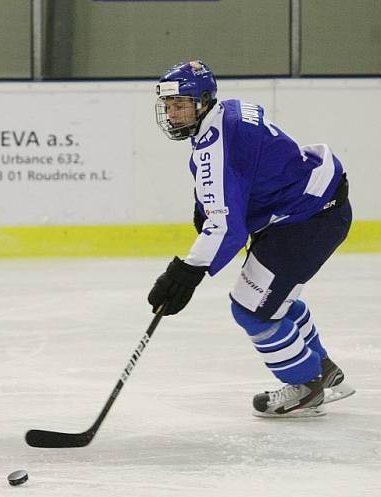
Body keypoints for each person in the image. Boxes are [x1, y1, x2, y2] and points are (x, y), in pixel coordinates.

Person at [148, 60, 354, 418]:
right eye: (168, 106)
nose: (173, 113)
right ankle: (324, 369)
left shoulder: (218, 141)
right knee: (268, 301)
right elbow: (248, 169)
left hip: (308, 219)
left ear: (205, 101)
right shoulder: (230, 112)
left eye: (181, 104)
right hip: (308, 208)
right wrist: (209, 203)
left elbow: (228, 227)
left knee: (251, 311)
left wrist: (186, 272)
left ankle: (307, 385)